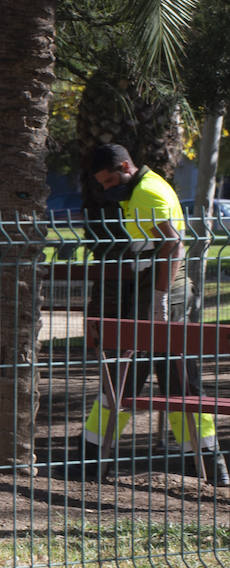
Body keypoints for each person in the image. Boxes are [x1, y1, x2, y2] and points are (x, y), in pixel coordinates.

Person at [68, 143, 229, 486]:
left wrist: (158, 297)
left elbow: (173, 244)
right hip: (157, 287)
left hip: (161, 288)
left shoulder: (146, 194)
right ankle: (207, 464)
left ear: (126, 166)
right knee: (172, 381)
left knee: (129, 374)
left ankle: (91, 460)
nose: (108, 188)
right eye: (102, 183)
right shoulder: (146, 187)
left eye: (110, 180)